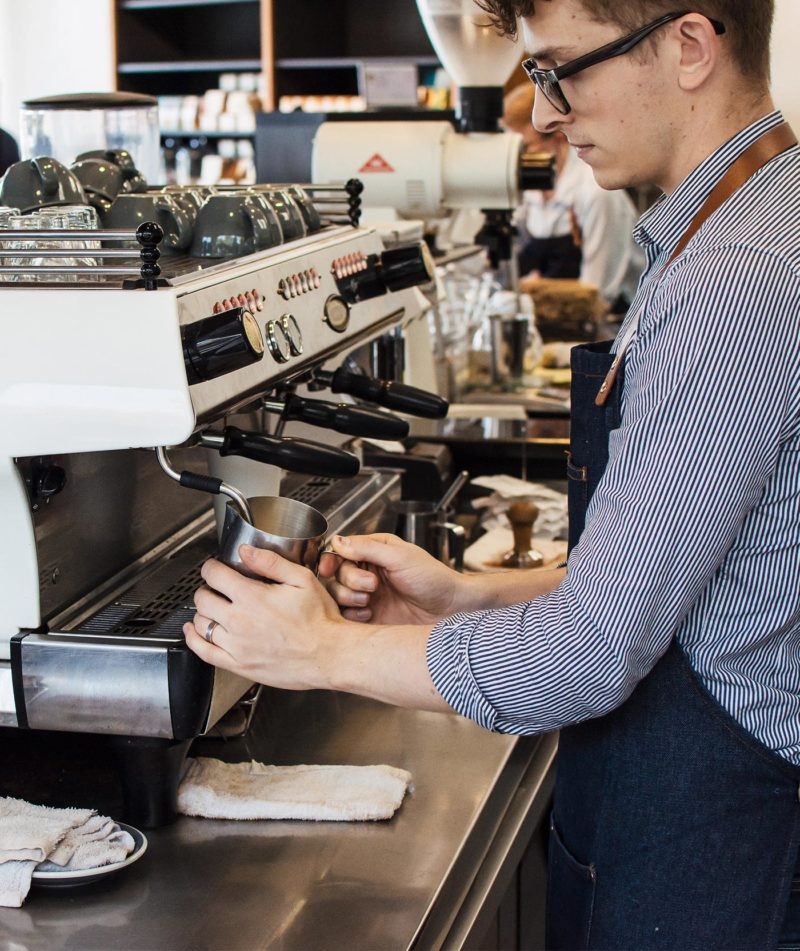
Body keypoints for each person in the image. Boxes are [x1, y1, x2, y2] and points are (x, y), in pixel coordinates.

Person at [185, 2, 800, 947]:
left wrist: (321, 654)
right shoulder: (738, 227)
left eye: (560, 70)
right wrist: (469, 596)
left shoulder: (739, 273)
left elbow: (588, 651)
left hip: (719, 845)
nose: (545, 113)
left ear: (688, 47)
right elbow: (698, 571)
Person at [504, 81, 645, 312]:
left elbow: (597, 296)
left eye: (524, 148)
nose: (514, 159)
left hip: (616, 323)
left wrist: (537, 290)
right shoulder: (528, 192)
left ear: (558, 140)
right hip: (553, 318)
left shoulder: (596, 193)